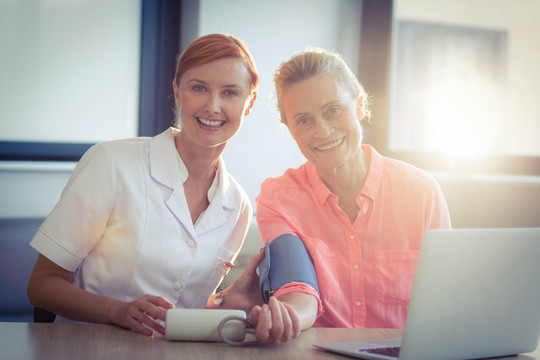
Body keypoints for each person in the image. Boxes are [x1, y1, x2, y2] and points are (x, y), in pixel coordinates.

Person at [27, 33, 263, 337]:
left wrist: (227, 303)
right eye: (199, 88)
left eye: (230, 92)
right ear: (177, 93)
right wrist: (119, 311)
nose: (213, 106)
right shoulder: (111, 163)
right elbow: (42, 286)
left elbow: (184, 305)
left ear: (249, 104)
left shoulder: (238, 205)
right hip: (87, 349)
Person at [251, 48, 452, 333]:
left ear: (358, 105)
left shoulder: (421, 193)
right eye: (304, 120)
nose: (322, 132)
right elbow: (298, 288)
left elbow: (446, 298)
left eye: (333, 111)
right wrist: (287, 319)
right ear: (289, 128)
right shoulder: (278, 199)